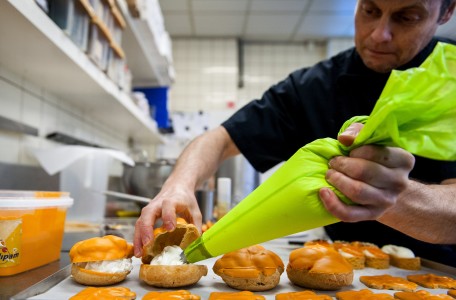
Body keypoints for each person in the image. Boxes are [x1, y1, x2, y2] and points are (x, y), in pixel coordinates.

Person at [134, 0, 456, 266]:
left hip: (438, 270)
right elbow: (219, 139)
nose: (379, 34)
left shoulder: (450, 82)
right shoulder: (314, 87)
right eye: (370, 10)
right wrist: (177, 186)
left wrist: (397, 197)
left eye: (407, 17)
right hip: (339, 265)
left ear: (446, 12)